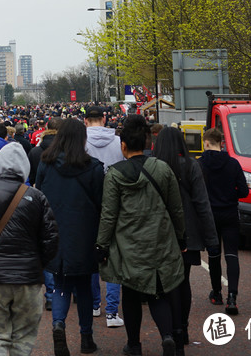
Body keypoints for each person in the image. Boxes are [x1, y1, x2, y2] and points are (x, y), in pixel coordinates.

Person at [95, 115, 185, 356]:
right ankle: (167, 336)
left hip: (128, 245)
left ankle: (134, 345)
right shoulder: (162, 168)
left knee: (132, 294)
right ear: (147, 143)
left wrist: (101, 245)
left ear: (122, 146)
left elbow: (108, 215)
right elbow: (176, 208)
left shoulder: (114, 175)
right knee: (158, 293)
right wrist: (181, 237)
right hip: (159, 240)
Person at [0, 141, 60, 356]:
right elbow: (50, 239)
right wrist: (37, 264)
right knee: (23, 339)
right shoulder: (37, 196)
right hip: (29, 279)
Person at [36, 118, 105, 356]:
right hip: (85, 234)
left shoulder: (46, 164)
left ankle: (58, 324)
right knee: (84, 287)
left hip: (55, 232)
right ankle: (86, 338)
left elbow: (40, 199)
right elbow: (101, 204)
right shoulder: (94, 167)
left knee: (61, 285)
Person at [152, 127, 218, 353]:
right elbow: (202, 203)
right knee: (182, 283)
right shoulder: (191, 165)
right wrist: (211, 239)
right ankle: (183, 328)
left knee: (162, 285)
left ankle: (169, 331)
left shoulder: (152, 167)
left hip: (158, 234)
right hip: (188, 234)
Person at [198, 127, 248, 316]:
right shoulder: (233, 164)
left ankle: (217, 293)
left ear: (207, 143)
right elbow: (244, 191)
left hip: (210, 214)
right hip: (229, 213)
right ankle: (232, 297)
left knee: (213, 255)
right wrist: (230, 195)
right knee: (232, 255)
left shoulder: (200, 164)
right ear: (221, 143)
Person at [84, 106, 125, 328]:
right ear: (104, 118)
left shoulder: (80, 143)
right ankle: (112, 312)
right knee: (113, 257)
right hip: (115, 202)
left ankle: (93, 305)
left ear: (86, 120)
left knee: (92, 257)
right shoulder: (119, 142)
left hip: (89, 204)